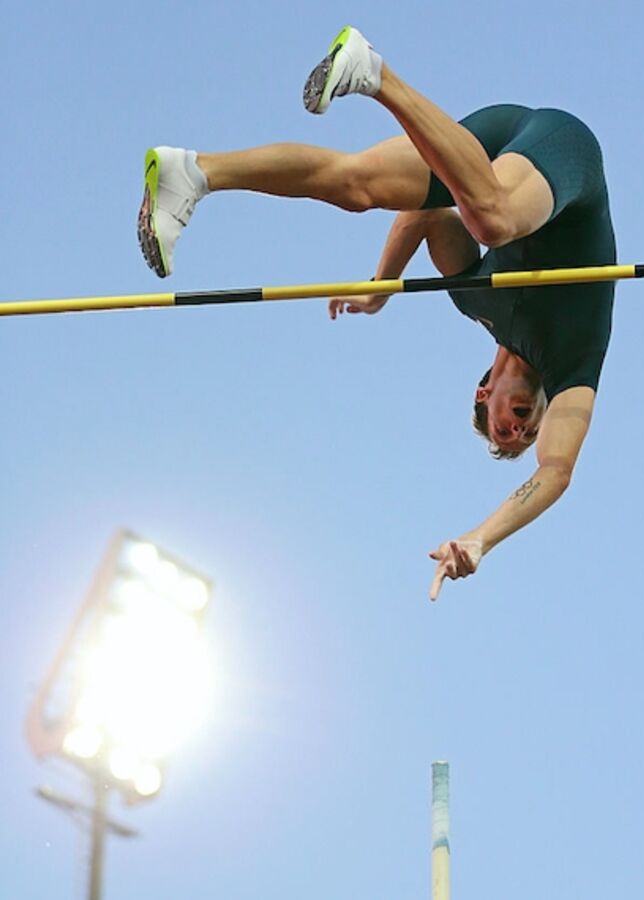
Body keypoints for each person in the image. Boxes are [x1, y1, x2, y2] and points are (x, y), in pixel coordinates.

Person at [137, 26, 616, 602]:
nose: (521, 430)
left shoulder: (471, 297)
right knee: (494, 215)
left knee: (357, 185)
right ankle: (374, 74)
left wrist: (380, 285)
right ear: (489, 389)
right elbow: (554, 473)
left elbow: (427, 216)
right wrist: (385, 285)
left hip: (498, 153)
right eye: (526, 429)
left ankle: (194, 172)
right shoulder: (574, 360)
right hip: (563, 152)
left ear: (481, 395)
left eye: (507, 433)